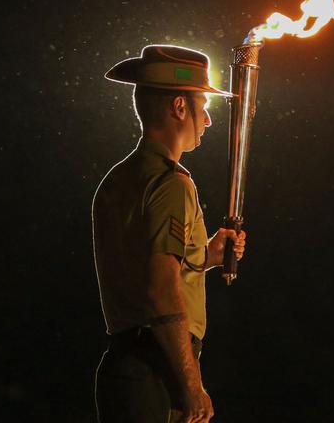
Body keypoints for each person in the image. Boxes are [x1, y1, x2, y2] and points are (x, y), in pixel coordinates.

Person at [92, 44, 247, 423]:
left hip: (128, 366)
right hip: (155, 371)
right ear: (180, 108)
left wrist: (204, 256)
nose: (208, 121)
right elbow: (161, 289)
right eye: (203, 106)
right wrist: (192, 387)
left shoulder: (118, 180)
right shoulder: (171, 183)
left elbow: (143, 265)